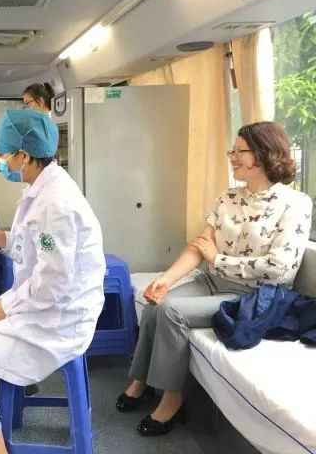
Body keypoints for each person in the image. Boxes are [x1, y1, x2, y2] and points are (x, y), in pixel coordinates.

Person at [117, 121, 313, 436]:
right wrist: (166, 280)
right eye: (231, 151)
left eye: (239, 151)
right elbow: (200, 247)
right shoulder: (229, 197)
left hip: (254, 295)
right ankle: (140, 381)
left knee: (171, 311)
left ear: (264, 154)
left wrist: (218, 259)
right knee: (156, 302)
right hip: (212, 281)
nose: (232, 157)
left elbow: (280, 268)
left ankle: (172, 398)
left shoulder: (295, 204)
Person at [0, 109, 106, 454]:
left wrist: (6, 307)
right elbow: (34, 249)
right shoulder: (43, 189)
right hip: (45, 302)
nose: (2, 161)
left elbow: (52, 283)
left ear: (24, 156)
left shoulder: (54, 203)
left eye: (4, 154)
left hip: (58, 318)